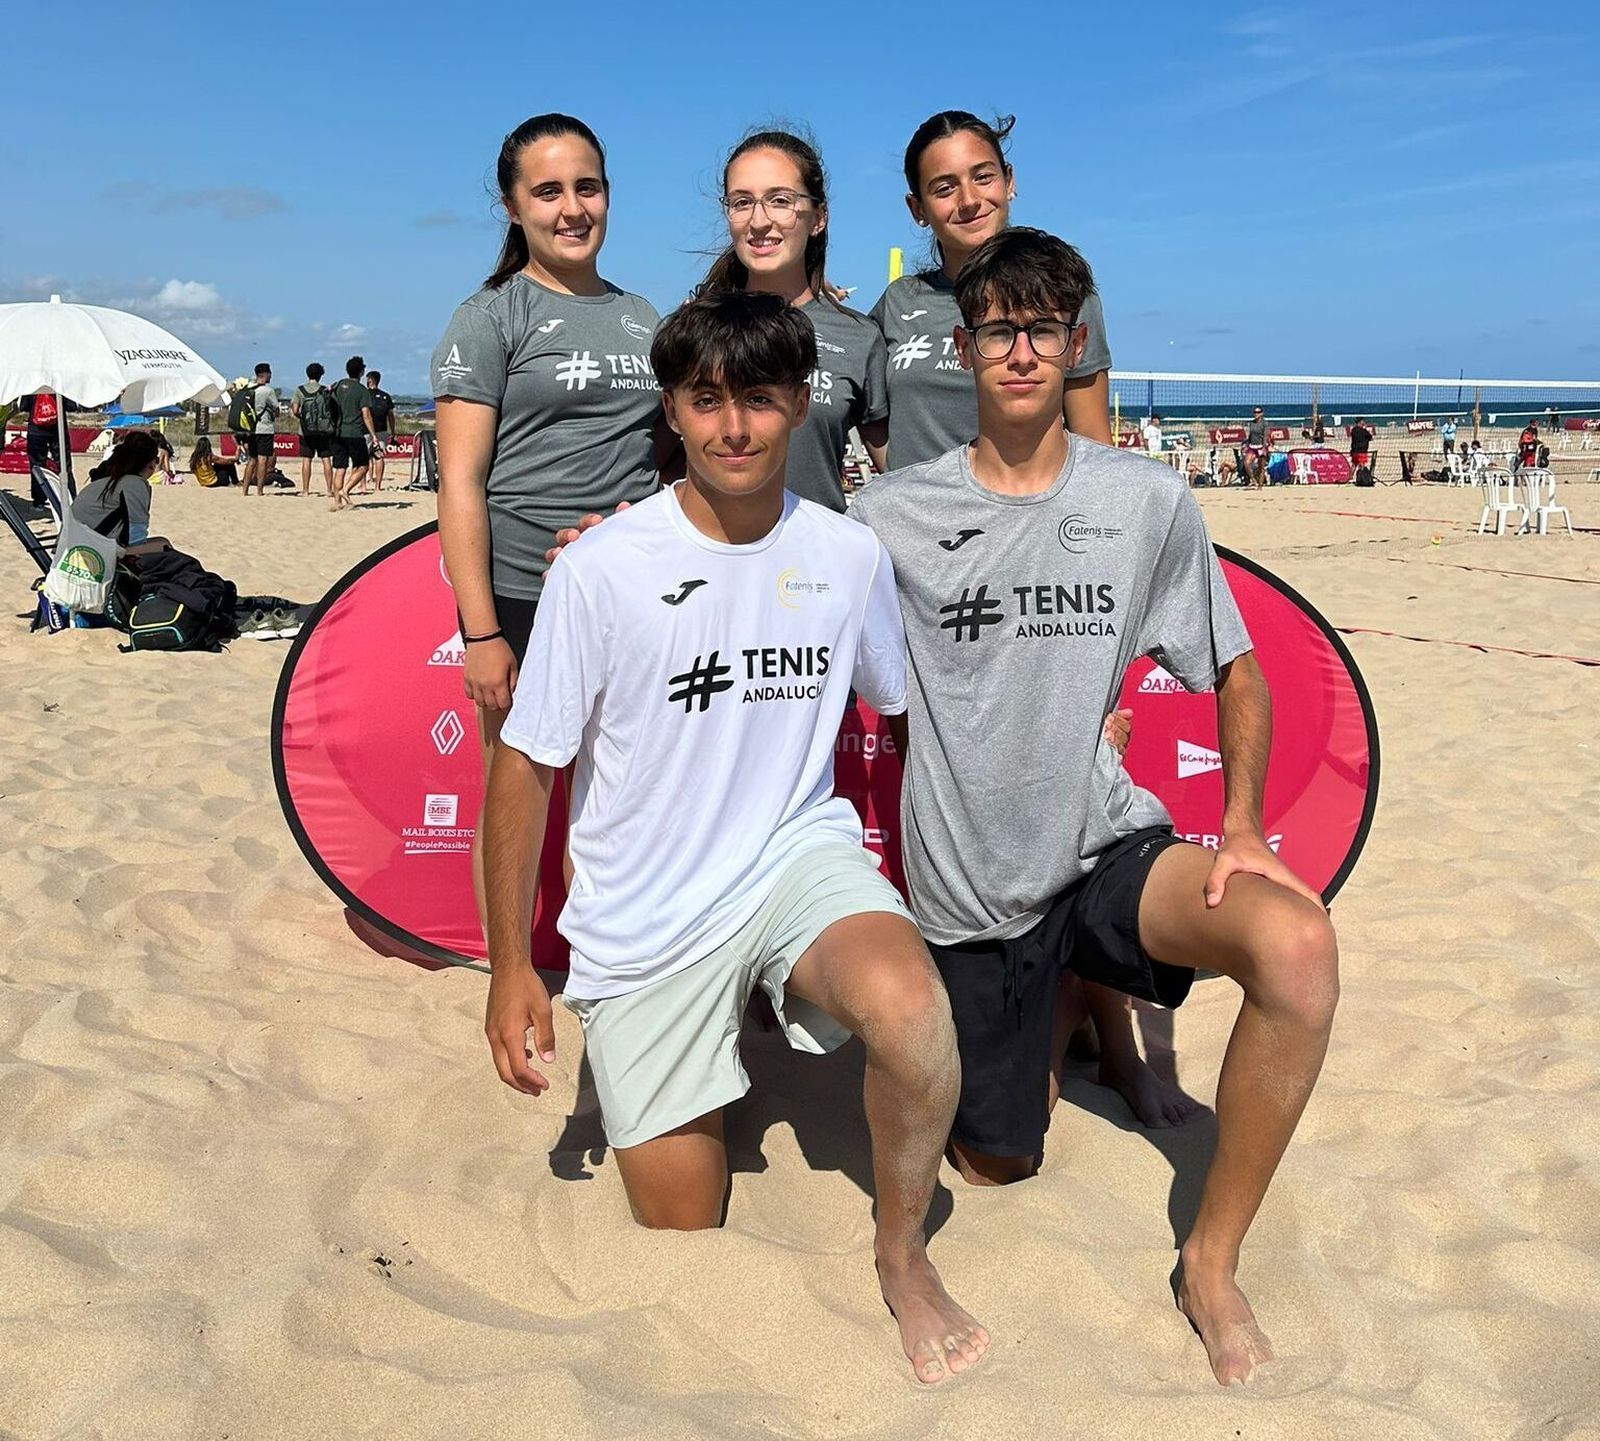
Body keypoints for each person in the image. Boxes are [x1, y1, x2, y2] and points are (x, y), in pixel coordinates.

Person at [848, 229, 1340, 1386]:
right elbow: (756, 584)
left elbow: (1234, 666)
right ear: (962, 349)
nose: (1020, 351)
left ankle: (1210, 1264)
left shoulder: (1143, 497)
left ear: (1075, 347)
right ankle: (1080, 1017)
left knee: (1298, 948)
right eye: (998, 330)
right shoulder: (889, 515)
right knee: (994, 1163)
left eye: (1043, 330)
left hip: (1107, 842)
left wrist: (1247, 829)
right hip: (972, 889)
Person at [482, 290, 987, 1385]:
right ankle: (709, 1049)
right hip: (645, 913)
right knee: (679, 1230)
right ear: (672, 410)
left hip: (792, 857)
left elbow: (902, 711)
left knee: (913, 1014)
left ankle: (902, 1258)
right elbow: (525, 765)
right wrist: (512, 966)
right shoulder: (601, 567)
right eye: (706, 402)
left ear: (801, 404)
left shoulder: (847, 555)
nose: (735, 429)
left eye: (760, 400)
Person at [432, 112, 671, 928]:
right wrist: (481, 631)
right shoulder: (491, 315)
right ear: (512, 206)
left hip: (632, 594)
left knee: (613, 799)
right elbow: (459, 484)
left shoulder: (646, 315)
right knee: (515, 795)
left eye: (587, 187)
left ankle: (598, 966)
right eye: (548, 191)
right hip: (523, 598)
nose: (572, 208)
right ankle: (508, 970)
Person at [869, 112, 1113, 470]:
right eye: (944, 188)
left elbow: (1093, 440)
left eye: (983, 177)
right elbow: (869, 413)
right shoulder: (899, 302)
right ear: (917, 208)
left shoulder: (1059, 290)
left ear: (1008, 180)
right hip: (918, 519)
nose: (969, 200)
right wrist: (901, 479)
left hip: (1024, 516)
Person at [698, 128, 888, 509]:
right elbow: (653, 465)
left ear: (818, 217)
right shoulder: (697, 328)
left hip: (816, 563)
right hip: (711, 559)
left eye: (780, 201)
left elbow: (901, 474)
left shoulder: (859, 337)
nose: (759, 221)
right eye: (741, 202)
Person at [71, 432, 170, 552]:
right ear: (150, 464)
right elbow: (135, 535)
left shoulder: (109, 479)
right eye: (156, 460)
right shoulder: (134, 484)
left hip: (75, 543)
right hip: (93, 552)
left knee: (162, 543)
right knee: (166, 550)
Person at [329, 355, 379, 510]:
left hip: (337, 432)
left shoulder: (337, 385)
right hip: (354, 433)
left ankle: (337, 502)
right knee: (363, 466)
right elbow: (366, 415)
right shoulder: (362, 391)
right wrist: (374, 435)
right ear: (361, 372)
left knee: (340, 468)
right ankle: (345, 490)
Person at [290, 362, 337, 497]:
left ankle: (305, 490)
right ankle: (329, 490)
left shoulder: (300, 390)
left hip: (305, 430)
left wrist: (304, 419)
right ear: (320, 375)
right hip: (323, 430)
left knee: (306, 460)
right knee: (326, 459)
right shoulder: (324, 390)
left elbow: (294, 410)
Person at [240, 363, 278, 498]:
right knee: (263, 460)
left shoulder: (249, 388)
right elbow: (276, 409)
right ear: (266, 374)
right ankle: (259, 490)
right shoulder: (268, 391)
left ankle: (244, 490)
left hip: (251, 429)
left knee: (251, 459)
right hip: (265, 428)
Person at [364, 369, 396, 490]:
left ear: (371, 380)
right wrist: (393, 432)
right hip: (382, 430)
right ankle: (377, 486)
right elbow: (391, 416)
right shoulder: (385, 396)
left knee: (364, 458)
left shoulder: (364, 394)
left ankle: (363, 486)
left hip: (366, 430)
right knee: (379, 457)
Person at [1243, 405, 1269, 487]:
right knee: (1246, 463)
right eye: (1254, 412)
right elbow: (1250, 435)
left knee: (1261, 467)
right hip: (1252, 446)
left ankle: (1260, 485)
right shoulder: (1251, 423)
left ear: (1261, 413)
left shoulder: (1264, 423)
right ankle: (1253, 480)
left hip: (1261, 446)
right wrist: (1246, 445)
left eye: (1258, 412)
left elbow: (1265, 436)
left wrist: (1264, 448)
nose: (1256, 414)